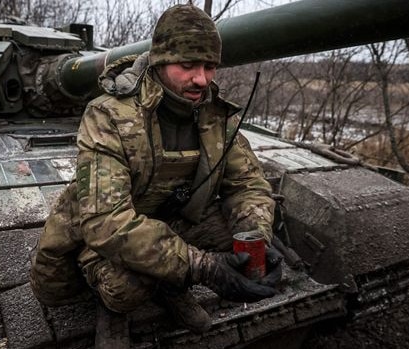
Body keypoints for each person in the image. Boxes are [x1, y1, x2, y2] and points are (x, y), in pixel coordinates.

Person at [30, 4, 282, 337]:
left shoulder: (215, 114)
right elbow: (105, 222)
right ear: (161, 61)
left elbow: (248, 185)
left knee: (239, 244)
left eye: (210, 66)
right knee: (125, 288)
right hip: (107, 232)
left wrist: (256, 240)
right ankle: (114, 306)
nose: (201, 79)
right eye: (188, 65)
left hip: (175, 219)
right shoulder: (109, 115)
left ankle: (169, 284)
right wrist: (203, 268)